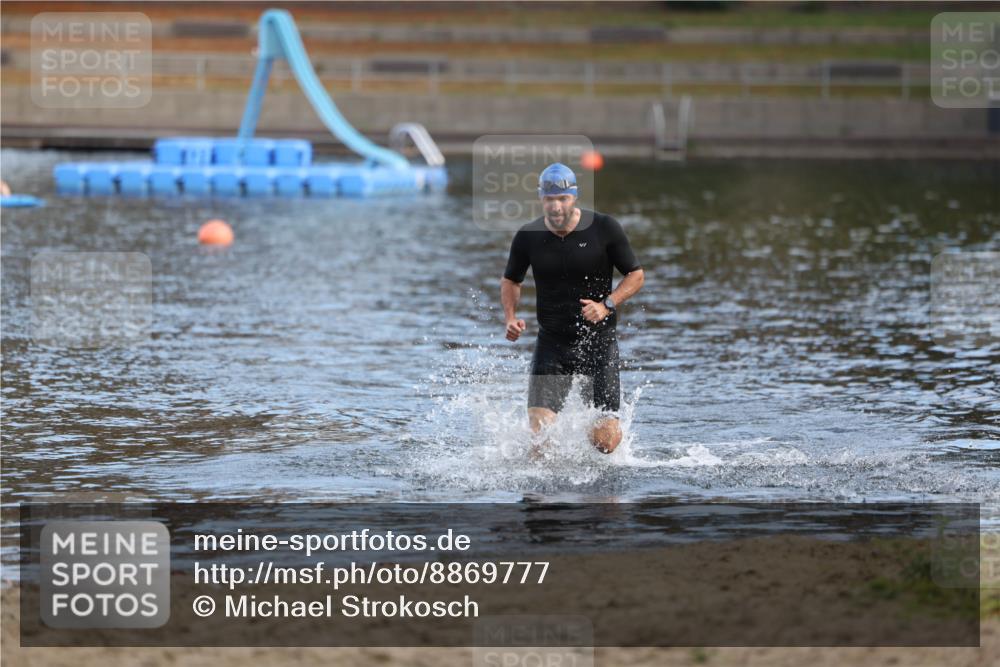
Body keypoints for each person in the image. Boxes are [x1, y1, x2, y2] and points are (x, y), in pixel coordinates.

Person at [501, 162, 644, 454]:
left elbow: (636, 275)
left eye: (562, 199)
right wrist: (511, 317)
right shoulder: (528, 236)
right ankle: (542, 499)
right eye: (549, 199)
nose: (555, 206)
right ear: (541, 198)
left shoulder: (604, 228)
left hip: (598, 344)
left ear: (574, 197)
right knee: (539, 441)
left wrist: (607, 305)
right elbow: (511, 280)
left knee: (604, 441)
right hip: (552, 344)